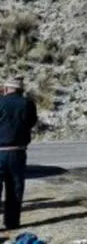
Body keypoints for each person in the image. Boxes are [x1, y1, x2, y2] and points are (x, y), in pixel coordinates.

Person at [0, 77, 38, 229]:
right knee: (15, 187)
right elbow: (31, 123)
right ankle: (12, 222)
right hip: (18, 151)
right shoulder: (28, 104)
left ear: (7, 88)